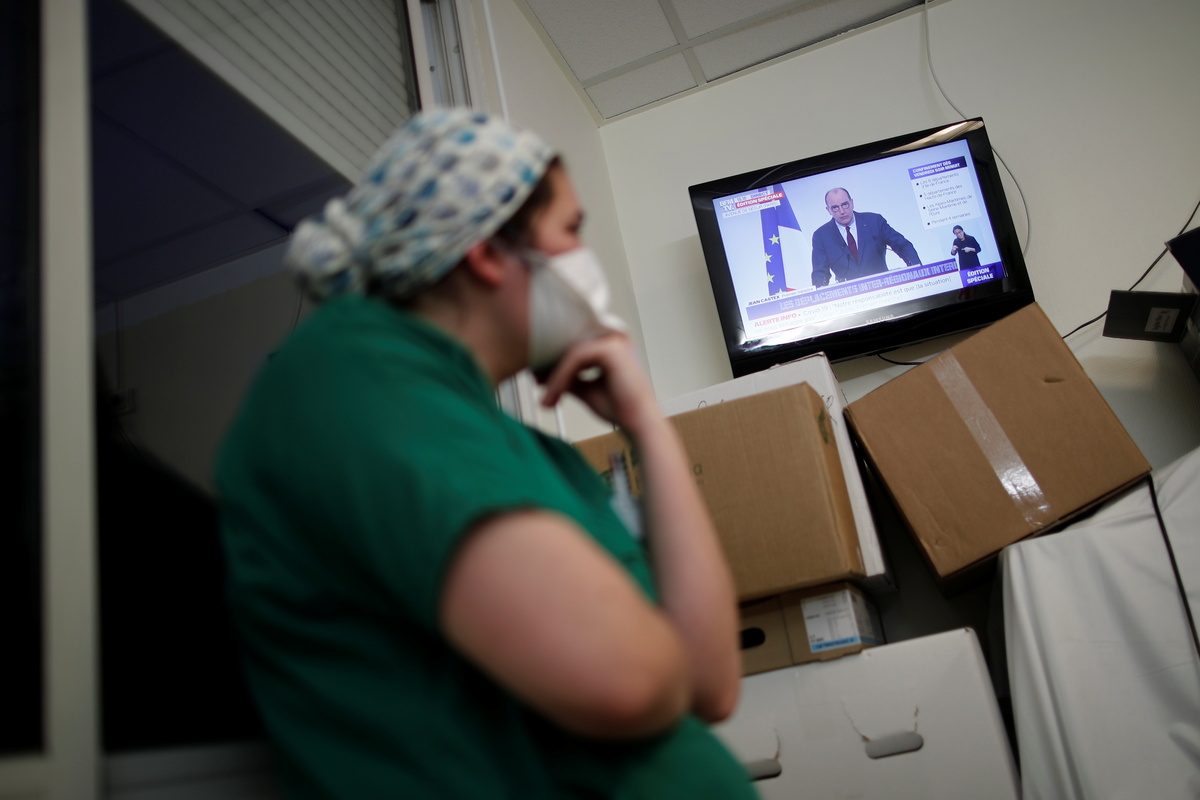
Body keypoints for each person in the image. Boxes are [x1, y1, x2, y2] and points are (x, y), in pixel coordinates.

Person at [214, 108, 756, 799]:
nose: (585, 258)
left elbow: (710, 686)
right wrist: (656, 647)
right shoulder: (351, 371)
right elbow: (629, 682)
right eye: (570, 230)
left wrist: (646, 424)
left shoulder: (517, 447)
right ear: (489, 253)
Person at [810, 187, 920, 287]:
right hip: (849, 295)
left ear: (852, 203)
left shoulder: (874, 221)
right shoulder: (821, 236)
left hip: (884, 287)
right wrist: (820, 293)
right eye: (835, 208)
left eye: (845, 205)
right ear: (828, 210)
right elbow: (820, 273)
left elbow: (902, 245)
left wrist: (917, 271)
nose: (842, 211)